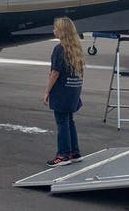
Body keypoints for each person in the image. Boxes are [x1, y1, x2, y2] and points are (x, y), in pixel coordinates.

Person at [43, 17, 84, 167]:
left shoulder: (59, 49)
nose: (53, 31)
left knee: (62, 122)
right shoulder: (76, 48)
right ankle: (74, 152)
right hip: (73, 89)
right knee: (69, 121)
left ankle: (63, 154)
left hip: (61, 90)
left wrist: (47, 91)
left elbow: (55, 72)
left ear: (62, 32)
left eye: (55, 28)